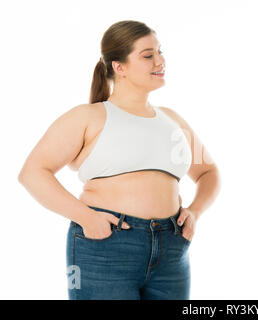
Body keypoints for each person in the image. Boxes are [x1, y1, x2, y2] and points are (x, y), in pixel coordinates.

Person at [17, 20, 220, 300]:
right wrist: (86, 218)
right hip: (106, 245)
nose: (160, 61)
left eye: (160, 52)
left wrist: (195, 211)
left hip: (172, 246)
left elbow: (208, 172)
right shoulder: (89, 117)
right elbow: (33, 173)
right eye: (148, 55)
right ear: (119, 66)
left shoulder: (173, 121)